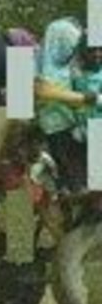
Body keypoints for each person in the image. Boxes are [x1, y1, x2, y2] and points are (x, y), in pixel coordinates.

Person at [34, 17, 99, 196]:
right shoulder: (30, 59)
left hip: (75, 128)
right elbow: (41, 90)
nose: (72, 51)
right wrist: (85, 98)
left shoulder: (71, 65)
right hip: (46, 133)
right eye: (69, 45)